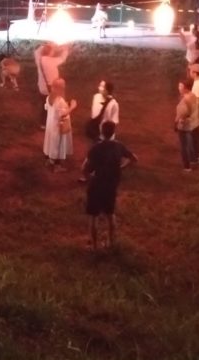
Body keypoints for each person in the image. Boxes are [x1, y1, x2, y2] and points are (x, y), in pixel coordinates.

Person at [82, 120, 137, 251]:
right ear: (113, 132)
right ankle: (110, 243)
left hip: (97, 184)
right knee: (110, 214)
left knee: (93, 216)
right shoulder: (118, 146)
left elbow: (84, 169)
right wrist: (122, 167)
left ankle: (94, 246)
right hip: (111, 185)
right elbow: (134, 158)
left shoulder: (96, 148)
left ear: (101, 131)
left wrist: (89, 178)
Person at [42, 77, 76, 171]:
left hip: (50, 125)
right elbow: (63, 114)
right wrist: (72, 107)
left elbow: (47, 108)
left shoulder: (49, 98)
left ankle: (50, 160)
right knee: (58, 144)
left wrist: (65, 105)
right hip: (58, 126)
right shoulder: (60, 100)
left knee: (51, 143)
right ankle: (56, 165)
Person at [34, 42, 70, 127]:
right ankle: (54, 122)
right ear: (50, 52)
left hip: (42, 87)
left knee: (45, 105)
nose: (53, 52)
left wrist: (46, 45)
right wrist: (65, 50)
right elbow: (62, 58)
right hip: (51, 88)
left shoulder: (39, 59)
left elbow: (37, 51)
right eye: (52, 50)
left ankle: (43, 123)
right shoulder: (51, 61)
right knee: (54, 105)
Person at [175, 79, 199, 172]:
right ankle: (194, 160)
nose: (179, 88)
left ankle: (187, 167)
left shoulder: (185, 100)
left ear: (186, 88)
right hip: (193, 124)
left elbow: (181, 114)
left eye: (180, 86)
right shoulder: (194, 96)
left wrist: (176, 122)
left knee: (184, 146)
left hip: (184, 126)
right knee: (191, 143)